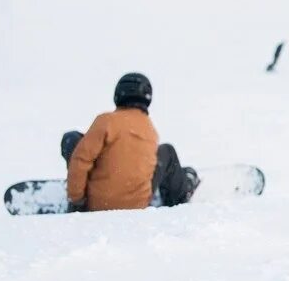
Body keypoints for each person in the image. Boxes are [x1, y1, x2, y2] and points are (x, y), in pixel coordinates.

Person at [62, 73, 199, 212]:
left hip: (97, 203)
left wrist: (76, 199)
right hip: (138, 205)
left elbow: (82, 159)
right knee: (167, 151)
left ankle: (77, 188)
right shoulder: (149, 129)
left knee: (72, 138)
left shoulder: (106, 121)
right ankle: (180, 193)